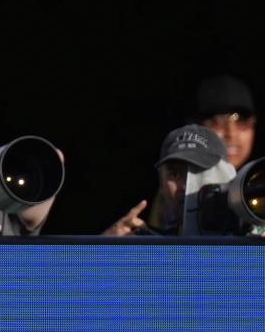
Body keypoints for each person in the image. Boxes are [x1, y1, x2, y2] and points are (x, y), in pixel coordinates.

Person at [104, 124, 239, 236]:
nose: (186, 185)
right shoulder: (147, 250)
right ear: (161, 182)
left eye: (199, 172)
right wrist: (104, 249)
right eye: (174, 174)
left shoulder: (247, 241)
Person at [195, 75, 256, 170]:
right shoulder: (176, 183)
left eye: (241, 120)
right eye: (217, 121)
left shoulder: (258, 181)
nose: (231, 133)